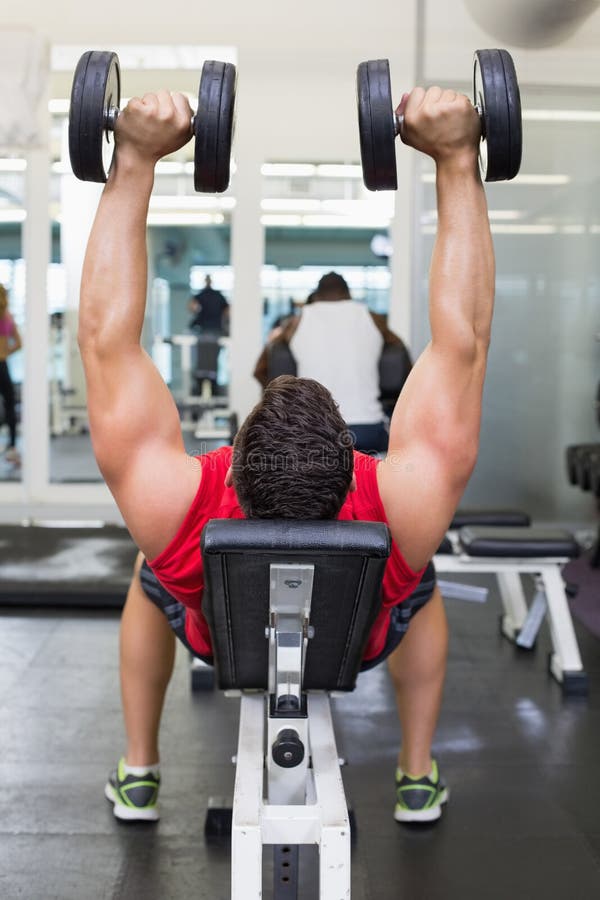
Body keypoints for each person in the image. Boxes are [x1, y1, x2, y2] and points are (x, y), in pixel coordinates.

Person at [77, 85, 491, 825]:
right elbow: (463, 339)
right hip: (352, 644)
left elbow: (105, 337)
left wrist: (134, 156)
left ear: (230, 463)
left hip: (224, 644)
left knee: (149, 573)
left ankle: (140, 767)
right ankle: (417, 772)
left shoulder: (179, 504)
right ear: (353, 459)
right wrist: (458, 156)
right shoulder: (401, 504)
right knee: (418, 576)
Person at [253, 272, 413, 453]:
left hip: (314, 430)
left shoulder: (296, 322)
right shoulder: (372, 318)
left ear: (317, 296)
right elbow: (404, 363)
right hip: (367, 429)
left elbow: (261, 369)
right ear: (348, 295)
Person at [0, 284, 22, 465]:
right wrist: (5, 352)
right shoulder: (7, 317)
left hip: (2, 365)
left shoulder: (6, 317)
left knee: (9, 404)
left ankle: (13, 446)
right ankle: (13, 445)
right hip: (3, 365)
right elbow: (18, 343)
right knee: (9, 405)